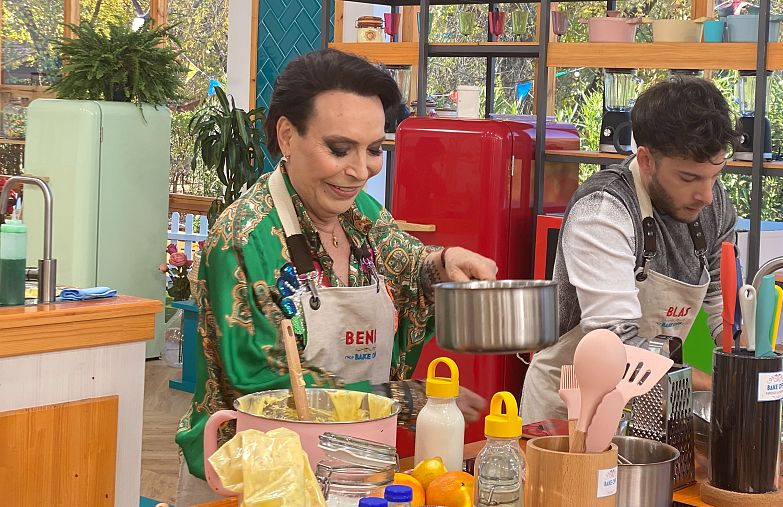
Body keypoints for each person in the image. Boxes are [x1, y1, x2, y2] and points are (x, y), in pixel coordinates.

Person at [175, 48, 496, 503]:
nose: (359, 170)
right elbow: (266, 391)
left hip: (354, 475)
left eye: (374, 150)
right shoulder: (243, 238)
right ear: (287, 136)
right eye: (340, 149)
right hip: (252, 484)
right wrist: (400, 398)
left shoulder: (359, 215)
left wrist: (443, 263)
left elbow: (406, 261)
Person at [520, 77, 741, 424]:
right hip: (571, 412)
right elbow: (613, 347)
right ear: (647, 159)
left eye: (714, 175)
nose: (707, 195)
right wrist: (715, 386)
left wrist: (748, 362)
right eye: (688, 178)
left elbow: (721, 304)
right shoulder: (603, 211)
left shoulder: (713, 206)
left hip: (652, 406)